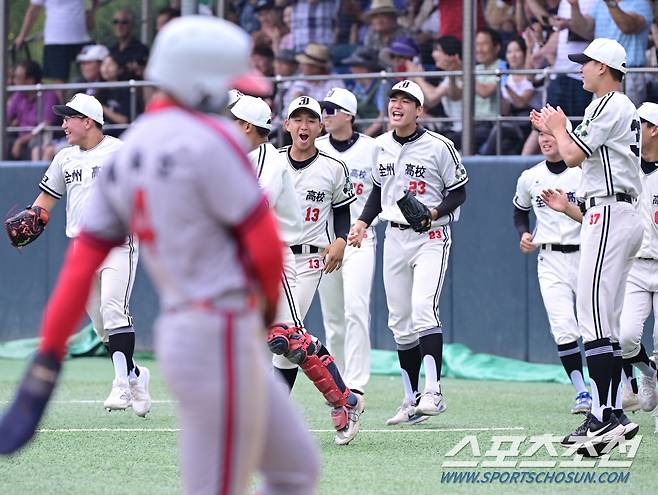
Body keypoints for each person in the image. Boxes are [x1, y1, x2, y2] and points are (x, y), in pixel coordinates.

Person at [0, 17, 320, 495]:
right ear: (201, 83)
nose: (230, 99)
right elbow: (265, 251)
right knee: (253, 479)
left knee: (276, 472)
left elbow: (80, 265)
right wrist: (265, 320)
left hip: (185, 333)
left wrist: (45, 360)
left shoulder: (131, 154)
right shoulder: (216, 145)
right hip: (225, 331)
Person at [5, 92, 150, 417]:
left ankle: (121, 386)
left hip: (117, 241)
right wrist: (34, 216)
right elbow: (45, 202)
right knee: (101, 328)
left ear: (88, 121)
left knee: (114, 310)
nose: (63, 124)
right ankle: (136, 375)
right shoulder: (64, 158)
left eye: (69, 118)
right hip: (82, 248)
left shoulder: (120, 152)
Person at [531, 37, 643, 456]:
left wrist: (559, 129)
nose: (581, 68)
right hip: (618, 212)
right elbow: (577, 151)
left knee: (593, 317)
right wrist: (553, 131)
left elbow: (573, 157)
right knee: (605, 319)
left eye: (587, 63)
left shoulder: (608, 102)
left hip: (610, 212)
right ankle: (610, 411)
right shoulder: (620, 107)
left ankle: (605, 416)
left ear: (605, 68)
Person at [349, 80, 468, 425]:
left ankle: (434, 391)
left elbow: (459, 192)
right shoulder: (380, 146)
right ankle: (410, 398)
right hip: (394, 236)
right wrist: (362, 222)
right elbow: (376, 191)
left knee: (422, 310)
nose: (397, 105)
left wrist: (433, 214)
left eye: (406, 101)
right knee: (399, 322)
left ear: (420, 109)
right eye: (393, 100)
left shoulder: (439, 146)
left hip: (430, 235)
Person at [271, 95, 366, 445]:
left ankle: (339, 403)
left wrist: (341, 239)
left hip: (311, 260)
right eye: (297, 119)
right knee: (281, 340)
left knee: (285, 336)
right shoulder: (270, 163)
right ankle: (346, 399)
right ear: (287, 125)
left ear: (320, 126)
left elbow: (342, 209)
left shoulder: (332, 167)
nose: (304, 126)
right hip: (273, 258)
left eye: (311, 120)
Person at [512, 127, 592, 414]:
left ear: (565, 137)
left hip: (585, 253)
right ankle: (582, 392)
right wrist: (523, 233)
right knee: (562, 327)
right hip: (548, 258)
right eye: (539, 134)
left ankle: (613, 386)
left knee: (595, 325)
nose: (545, 139)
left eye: (550, 133)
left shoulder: (584, 172)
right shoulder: (530, 177)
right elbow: (520, 210)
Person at [316, 88, 378, 397]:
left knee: (356, 309)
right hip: (326, 241)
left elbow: (382, 192)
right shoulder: (316, 147)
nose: (325, 114)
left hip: (360, 239)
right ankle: (337, 384)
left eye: (332, 109)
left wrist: (368, 223)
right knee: (333, 317)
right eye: (324, 109)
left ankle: (357, 383)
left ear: (349, 115)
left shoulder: (371, 149)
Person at [14, 0, 100, 84]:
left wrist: (92, 14)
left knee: (94, 74)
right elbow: (33, 10)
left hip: (82, 38)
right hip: (55, 39)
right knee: (59, 83)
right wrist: (22, 36)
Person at [6, 60, 60, 160]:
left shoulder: (49, 96)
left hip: (40, 140)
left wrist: (20, 141)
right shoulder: (18, 95)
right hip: (20, 141)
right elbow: (6, 119)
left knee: (36, 144)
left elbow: (45, 127)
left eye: (18, 78)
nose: (14, 82)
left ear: (30, 80)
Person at [109, 9, 149, 80]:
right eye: (116, 22)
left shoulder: (141, 49)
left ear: (132, 25)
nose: (119, 26)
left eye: (124, 22)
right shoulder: (112, 50)